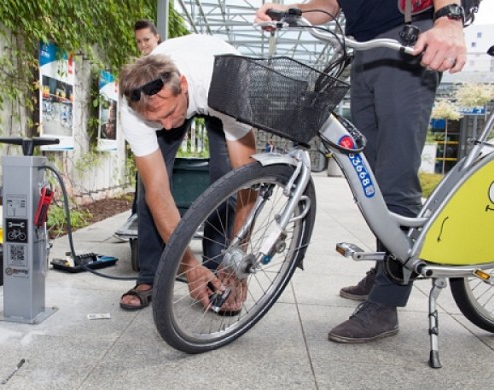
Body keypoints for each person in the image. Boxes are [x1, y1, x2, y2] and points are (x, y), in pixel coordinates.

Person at [256, 0, 466, 342]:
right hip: (363, 48)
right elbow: (330, 5)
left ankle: (387, 301)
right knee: (370, 178)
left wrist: (449, 19)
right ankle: (386, 266)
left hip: (408, 39)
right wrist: (289, 13)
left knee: (396, 174)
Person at [118, 34, 257, 311]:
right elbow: (158, 192)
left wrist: (238, 259)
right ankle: (151, 274)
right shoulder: (133, 109)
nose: (168, 127)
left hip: (218, 80)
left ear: (182, 86)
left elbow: (248, 183)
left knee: (227, 178)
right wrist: (188, 265)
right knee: (149, 187)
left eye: (169, 114)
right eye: (156, 121)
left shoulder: (226, 87)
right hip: (185, 88)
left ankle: (221, 270)